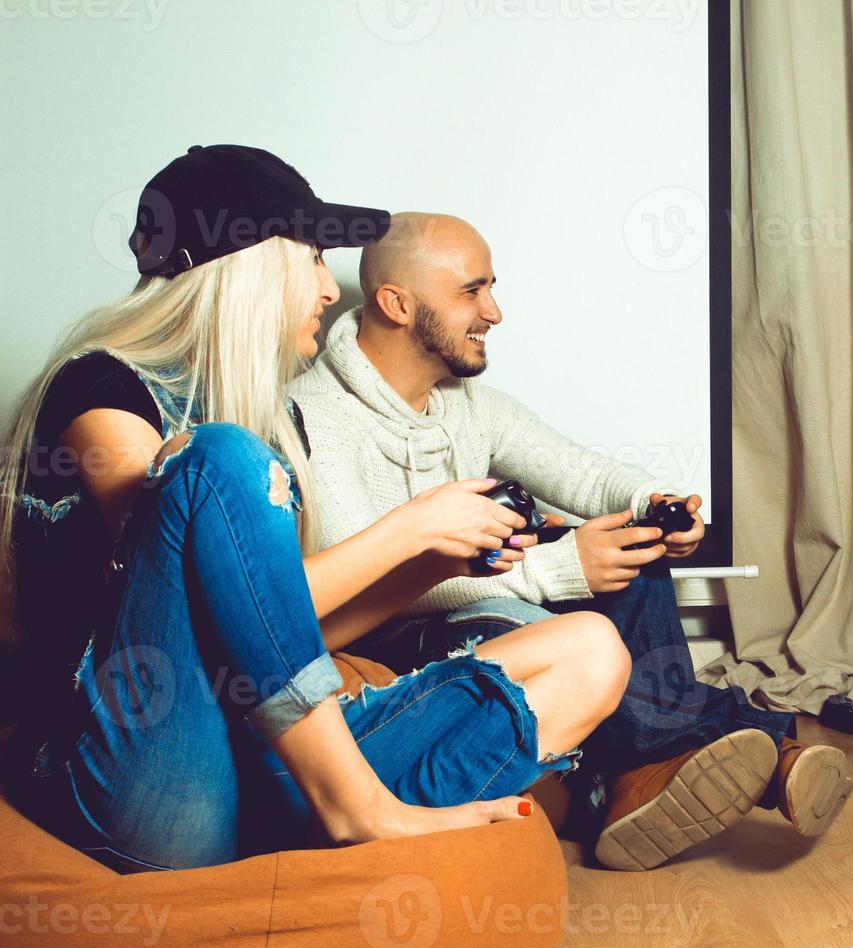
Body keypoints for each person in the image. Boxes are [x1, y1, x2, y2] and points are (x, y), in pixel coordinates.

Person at [0, 146, 631, 872]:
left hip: (262, 766)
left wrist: (428, 563)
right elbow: (197, 620)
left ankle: (341, 823)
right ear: (249, 266)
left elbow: (281, 634)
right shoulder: (102, 391)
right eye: (314, 259)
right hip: (139, 776)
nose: (331, 291)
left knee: (589, 653)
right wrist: (407, 528)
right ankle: (361, 811)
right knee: (220, 458)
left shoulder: (274, 423)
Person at [289, 212, 853, 871]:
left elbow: (582, 472)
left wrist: (654, 505)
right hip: (393, 641)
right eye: (472, 291)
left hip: (484, 608)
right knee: (538, 605)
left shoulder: (467, 405)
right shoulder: (309, 418)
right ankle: (759, 747)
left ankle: (634, 783)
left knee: (635, 557)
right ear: (395, 303)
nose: (494, 311)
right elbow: (362, 589)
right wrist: (556, 569)